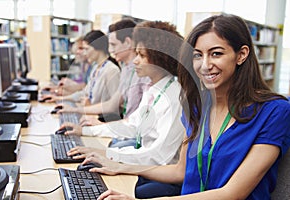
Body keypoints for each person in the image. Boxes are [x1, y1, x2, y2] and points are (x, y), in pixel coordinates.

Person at [83, 14, 290, 200]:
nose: (205, 65)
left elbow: (233, 193)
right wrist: (120, 167)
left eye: (216, 54)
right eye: (198, 55)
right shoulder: (198, 107)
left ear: (241, 54)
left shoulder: (274, 111)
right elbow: (180, 171)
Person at [64, 20, 185, 198]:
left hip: (161, 178)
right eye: (136, 53)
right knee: (98, 177)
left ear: (160, 58)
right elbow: (132, 125)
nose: (135, 60)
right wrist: (87, 132)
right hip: (144, 166)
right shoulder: (156, 88)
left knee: (108, 189)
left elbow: (160, 157)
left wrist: (111, 156)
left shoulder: (176, 98)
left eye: (142, 55)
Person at [57, 18, 150, 126]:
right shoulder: (126, 70)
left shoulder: (140, 73)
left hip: (129, 132)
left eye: (114, 45)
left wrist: (100, 124)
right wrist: (75, 109)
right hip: (123, 129)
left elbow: (119, 113)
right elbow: (112, 104)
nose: (110, 50)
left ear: (128, 42)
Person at [42, 30, 120, 106]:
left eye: (87, 49)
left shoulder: (111, 70)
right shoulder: (96, 67)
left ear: (98, 47)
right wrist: (59, 98)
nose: (85, 53)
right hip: (91, 114)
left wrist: (90, 106)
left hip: (100, 118)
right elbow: (84, 93)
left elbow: (115, 105)